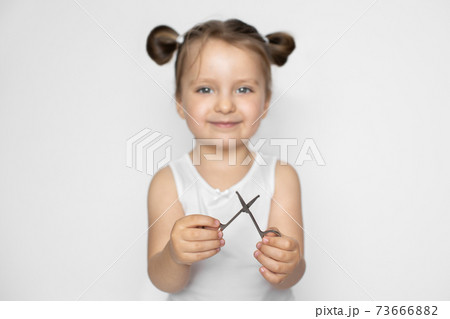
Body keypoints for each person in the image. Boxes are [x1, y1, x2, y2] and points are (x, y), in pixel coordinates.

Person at [145, 18, 306, 300]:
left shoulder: (281, 177)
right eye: (205, 89)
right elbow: (164, 281)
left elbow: (290, 276)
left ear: (266, 102)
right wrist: (174, 255)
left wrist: (288, 264)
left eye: (243, 89)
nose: (225, 105)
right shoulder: (168, 182)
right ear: (180, 103)